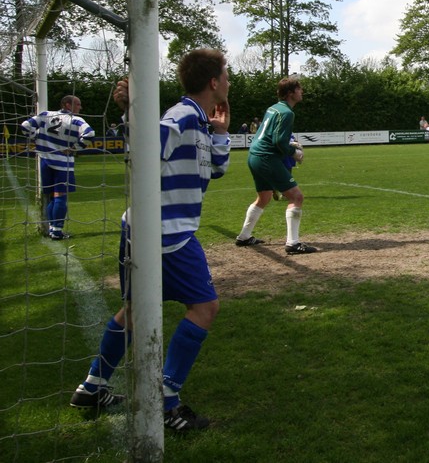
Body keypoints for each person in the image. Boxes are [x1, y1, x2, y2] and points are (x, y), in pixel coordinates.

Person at [69, 48, 231, 431]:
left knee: (134, 311)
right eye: (226, 76)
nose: (229, 82)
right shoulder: (182, 114)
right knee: (205, 308)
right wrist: (132, 113)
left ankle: (92, 387)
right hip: (167, 233)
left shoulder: (200, 121)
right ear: (213, 82)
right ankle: (165, 397)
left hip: (145, 229)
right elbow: (147, 149)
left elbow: (217, 170)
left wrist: (221, 132)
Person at [236, 77, 315, 254]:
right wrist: (294, 152)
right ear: (290, 93)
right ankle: (293, 244)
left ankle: (244, 236)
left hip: (254, 156)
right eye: (299, 89)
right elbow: (278, 141)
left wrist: (288, 144)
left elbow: (271, 136)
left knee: (264, 197)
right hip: (266, 157)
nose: (302, 91)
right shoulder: (287, 113)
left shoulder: (273, 108)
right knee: (296, 197)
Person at [21, 94, 95, 240]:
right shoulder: (76, 120)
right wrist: (75, 148)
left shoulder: (45, 115)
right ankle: (57, 231)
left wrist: (35, 137)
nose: (80, 107)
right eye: (78, 104)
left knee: (51, 197)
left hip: (45, 161)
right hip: (62, 163)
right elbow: (89, 134)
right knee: (60, 196)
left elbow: (25, 126)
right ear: (67, 104)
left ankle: (51, 228)